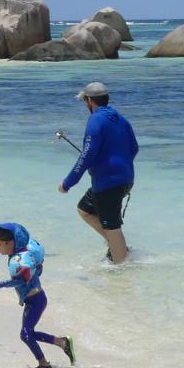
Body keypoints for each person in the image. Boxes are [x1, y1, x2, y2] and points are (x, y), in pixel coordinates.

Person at [58, 81, 139, 264]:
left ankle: (121, 273)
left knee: (112, 227)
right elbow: (134, 148)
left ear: (89, 100)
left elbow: (87, 155)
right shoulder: (120, 118)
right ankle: (118, 247)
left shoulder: (95, 120)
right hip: (126, 179)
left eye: (84, 101)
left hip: (108, 183)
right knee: (85, 209)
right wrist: (118, 166)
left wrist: (67, 183)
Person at [0, 222, 75, 368]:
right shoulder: (23, 254)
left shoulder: (21, 260)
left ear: (10, 243)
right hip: (32, 300)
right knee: (28, 334)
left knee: (25, 334)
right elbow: (36, 267)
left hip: (36, 300)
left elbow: (22, 279)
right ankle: (62, 343)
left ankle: (45, 364)